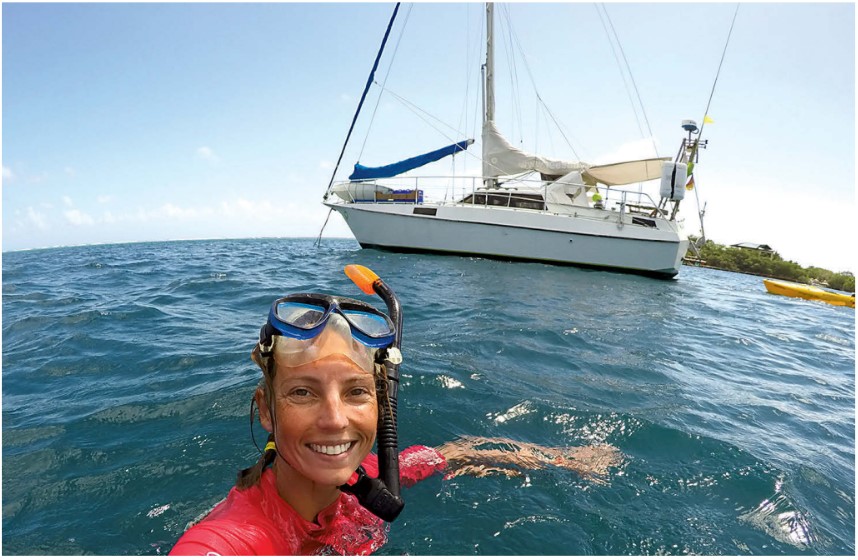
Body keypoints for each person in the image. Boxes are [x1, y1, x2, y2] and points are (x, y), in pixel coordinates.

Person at [171, 266, 622, 555]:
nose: (335, 420)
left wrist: (561, 461)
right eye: (303, 393)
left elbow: (450, 454)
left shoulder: (363, 480)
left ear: (380, 407)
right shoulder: (231, 541)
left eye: (355, 393)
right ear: (266, 410)